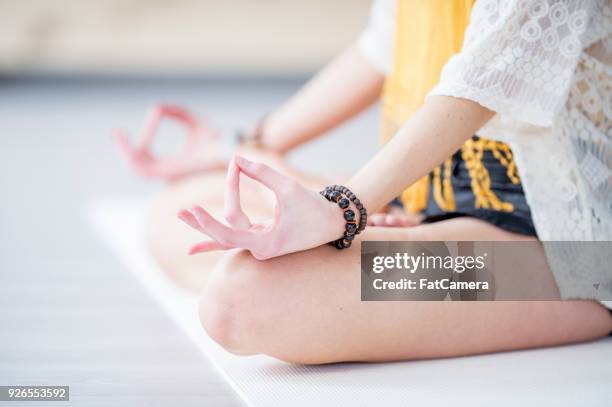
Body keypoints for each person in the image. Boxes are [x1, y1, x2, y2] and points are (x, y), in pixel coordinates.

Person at [116, 0, 612, 364]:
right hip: (424, 200)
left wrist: (344, 209)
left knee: (241, 301)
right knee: (177, 213)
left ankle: (581, 298)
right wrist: (245, 143)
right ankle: (391, 253)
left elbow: (482, 83)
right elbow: (383, 45)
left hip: (564, 245)